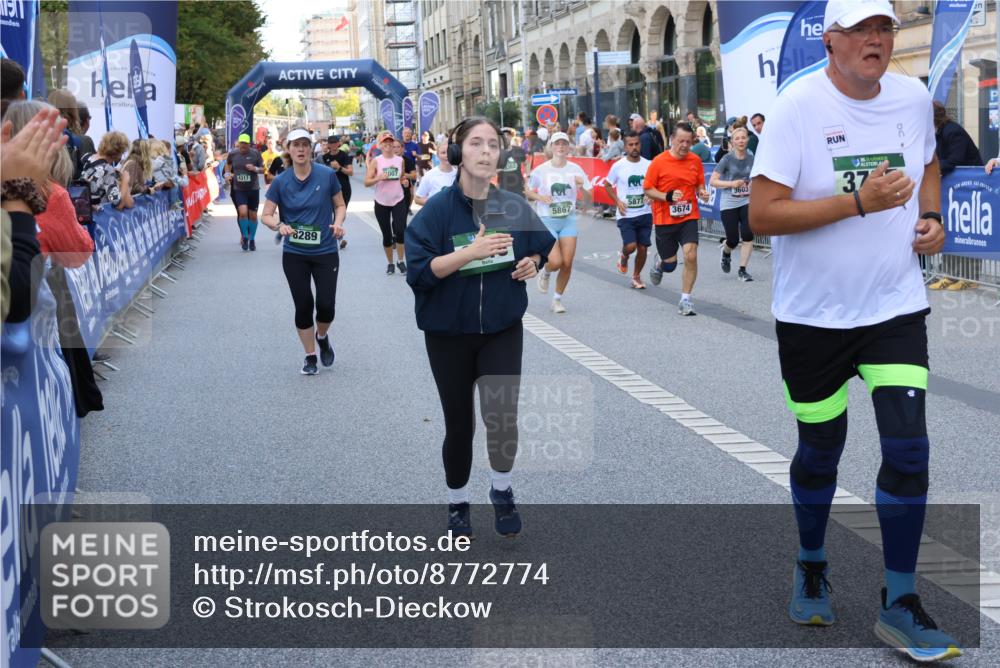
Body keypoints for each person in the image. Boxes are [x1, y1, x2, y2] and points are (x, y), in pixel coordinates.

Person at [748, 1, 961, 660]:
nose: (876, 40)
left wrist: (930, 214)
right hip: (813, 317)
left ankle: (899, 601)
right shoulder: (796, 108)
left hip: (894, 306)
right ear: (832, 39)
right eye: (863, 30)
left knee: (909, 452)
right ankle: (811, 561)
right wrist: (858, 202)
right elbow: (762, 214)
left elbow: (926, 161)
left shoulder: (910, 95)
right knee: (821, 451)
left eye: (885, 29)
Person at [404, 116, 556, 537]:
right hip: (448, 334)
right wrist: (470, 252)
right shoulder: (436, 211)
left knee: (502, 418)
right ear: (458, 153)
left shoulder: (513, 205)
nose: (486, 151)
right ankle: (457, 503)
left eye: (492, 144)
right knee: (460, 424)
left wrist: (533, 263)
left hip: (502, 329)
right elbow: (419, 271)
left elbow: (546, 251)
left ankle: (502, 490)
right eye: (476, 143)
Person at [261, 127, 346, 375]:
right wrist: (279, 225)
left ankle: (322, 336)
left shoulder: (327, 175)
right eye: (295, 145)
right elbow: (265, 215)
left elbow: (339, 205)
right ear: (288, 149)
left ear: (311, 149)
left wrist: (338, 223)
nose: (300, 149)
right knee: (303, 304)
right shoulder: (280, 181)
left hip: (325, 250)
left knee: (327, 305)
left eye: (304, 145)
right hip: (295, 253)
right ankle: (310, 356)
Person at [643, 122, 708, 316]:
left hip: (689, 216)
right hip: (665, 219)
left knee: (691, 255)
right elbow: (647, 189)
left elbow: (699, 185)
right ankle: (660, 264)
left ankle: (686, 300)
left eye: (688, 142)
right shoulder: (658, 162)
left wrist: (702, 192)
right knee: (670, 264)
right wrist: (667, 197)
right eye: (681, 141)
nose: (684, 145)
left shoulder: (695, 160)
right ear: (672, 139)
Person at [526, 131, 592, 313]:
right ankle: (546, 272)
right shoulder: (541, 170)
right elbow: (528, 191)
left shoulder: (576, 169)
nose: (561, 147)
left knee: (567, 263)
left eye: (564, 143)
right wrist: (540, 196)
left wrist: (581, 187)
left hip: (568, 219)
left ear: (568, 147)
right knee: (555, 262)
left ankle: (557, 299)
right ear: (551, 147)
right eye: (557, 143)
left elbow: (589, 198)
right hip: (547, 219)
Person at [928, 101, 983, 291]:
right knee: (951, 231)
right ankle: (950, 275)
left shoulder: (953, 131)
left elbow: (955, 160)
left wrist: (931, 168)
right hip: (953, 191)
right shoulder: (935, 134)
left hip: (970, 189)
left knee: (968, 233)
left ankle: (970, 277)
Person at [604, 130, 652, 289]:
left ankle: (636, 276)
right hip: (626, 215)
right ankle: (624, 255)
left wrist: (651, 196)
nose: (634, 147)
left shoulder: (649, 165)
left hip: (645, 212)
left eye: (636, 144)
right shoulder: (618, 166)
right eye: (630, 145)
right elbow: (608, 185)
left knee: (643, 247)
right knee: (631, 246)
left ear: (640, 144)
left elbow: (654, 186)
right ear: (625, 146)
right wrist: (618, 201)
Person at [710, 122, 756, 282]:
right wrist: (731, 184)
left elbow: (756, 176)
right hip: (729, 202)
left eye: (744, 138)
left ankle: (743, 270)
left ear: (747, 140)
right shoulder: (727, 159)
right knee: (733, 239)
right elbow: (713, 181)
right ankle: (726, 252)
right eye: (738, 138)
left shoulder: (752, 156)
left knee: (748, 234)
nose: (741, 141)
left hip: (746, 200)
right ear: (733, 141)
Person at [365, 131, 409, 275]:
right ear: (380, 145)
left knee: (400, 230)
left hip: (398, 199)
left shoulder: (399, 160)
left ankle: (401, 261)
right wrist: (379, 177)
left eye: (390, 142)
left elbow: (401, 177)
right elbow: (367, 182)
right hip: (381, 201)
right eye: (385, 142)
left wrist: (404, 181)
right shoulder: (376, 161)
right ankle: (390, 263)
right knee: (387, 235)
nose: (388, 144)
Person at [225, 133, 264, 251]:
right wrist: (227, 174)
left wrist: (255, 168)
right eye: (241, 143)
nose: (243, 145)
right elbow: (228, 164)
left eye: (245, 144)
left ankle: (252, 239)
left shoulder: (255, 154)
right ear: (238, 143)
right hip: (239, 188)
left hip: (253, 189)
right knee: (242, 213)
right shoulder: (233, 154)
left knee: (253, 216)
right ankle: (245, 237)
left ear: (249, 144)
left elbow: (263, 169)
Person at [81, 131, 133, 210]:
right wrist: (125, 181)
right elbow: (118, 205)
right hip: (98, 217)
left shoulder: (86, 157)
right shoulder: (108, 170)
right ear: (118, 152)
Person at [324, 135, 354, 250]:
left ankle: (336, 235)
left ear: (338, 144)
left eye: (335, 143)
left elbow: (351, 172)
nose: (333, 145)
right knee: (330, 213)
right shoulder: (324, 157)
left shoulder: (344, 155)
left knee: (341, 214)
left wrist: (339, 167)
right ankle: (337, 237)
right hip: (328, 189)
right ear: (328, 145)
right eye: (330, 143)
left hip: (344, 188)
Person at [497, 128, 527, 197]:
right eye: (504, 135)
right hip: (504, 187)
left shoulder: (518, 150)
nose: (506, 137)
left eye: (508, 135)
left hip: (518, 186)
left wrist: (526, 176)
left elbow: (526, 163)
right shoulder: (496, 152)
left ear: (511, 137)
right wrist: (499, 169)